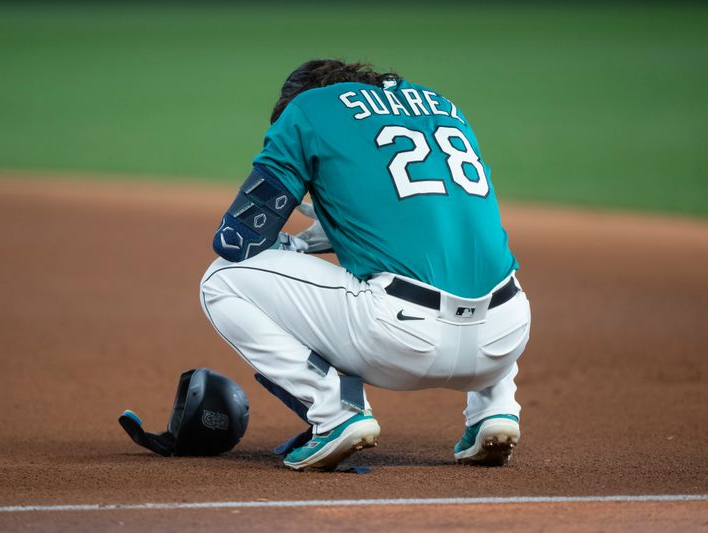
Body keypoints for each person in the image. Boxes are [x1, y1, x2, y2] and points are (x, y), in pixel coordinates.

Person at [199, 59, 531, 471]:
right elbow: (429, 212)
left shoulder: (308, 109)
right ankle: (495, 409)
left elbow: (238, 238)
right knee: (471, 261)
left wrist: (291, 242)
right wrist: (329, 228)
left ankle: (334, 412)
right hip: (506, 337)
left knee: (221, 280)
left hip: (400, 341)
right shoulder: (442, 106)